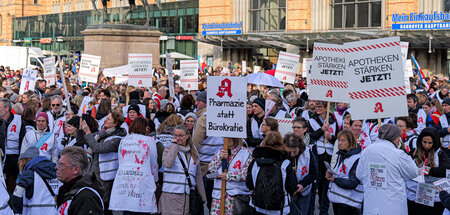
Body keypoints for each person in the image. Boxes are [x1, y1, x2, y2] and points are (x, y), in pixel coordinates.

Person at [356, 124, 419, 215]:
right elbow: (413, 172)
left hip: (371, 205)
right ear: (395, 138)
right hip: (392, 206)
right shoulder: (398, 154)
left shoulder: (367, 150)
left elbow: (359, 175)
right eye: (399, 137)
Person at [79, 110, 126, 214]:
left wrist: (88, 132)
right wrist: (80, 129)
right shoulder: (102, 134)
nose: (105, 120)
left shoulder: (117, 139)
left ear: (115, 123)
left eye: (108, 119)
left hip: (106, 178)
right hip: (94, 174)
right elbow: (83, 140)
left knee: (105, 205)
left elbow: (96, 148)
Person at [109, 117, 159, 214]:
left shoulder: (124, 141)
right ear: (145, 127)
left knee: (128, 206)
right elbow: (153, 164)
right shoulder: (149, 141)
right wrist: (155, 180)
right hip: (143, 180)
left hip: (125, 180)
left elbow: (121, 161)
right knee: (142, 208)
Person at [246, 131, 297, 215]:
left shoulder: (255, 162)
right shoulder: (285, 163)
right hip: (280, 209)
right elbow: (292, 186)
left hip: (258, 207)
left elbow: (249, 184)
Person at [160, 124, 206, 215]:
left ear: (187, 136)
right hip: (171, 195)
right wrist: (174, 146)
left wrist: (202, 197)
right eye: (176, 135)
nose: (177, 138)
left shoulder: (194, 152)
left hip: (187, 196)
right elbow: (168, 163)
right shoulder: (168, 149)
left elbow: (198, 177)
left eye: (180, 135)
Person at [406, 127, 450, 215]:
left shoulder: (440, 154)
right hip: (414, 197)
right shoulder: (414, 153)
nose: (426, 145)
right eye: (424, 142)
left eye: (430, 143)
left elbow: (446, 170)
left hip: (433, 199)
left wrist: (429, 171)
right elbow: (405, 167)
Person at [208, 138, 253, 215]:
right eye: (224, 138)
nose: (225, 140)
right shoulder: (220, 152)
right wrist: (219, 159)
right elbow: (210, 171)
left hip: (235, 197)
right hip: (218, 197)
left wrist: (228, 176)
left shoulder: (246, 153)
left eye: (228, 138)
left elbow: (246, 174)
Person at [12, 146, 60, 214]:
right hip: (54, 211)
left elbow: (17, 195)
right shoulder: (56, 170)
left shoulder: (28, 173)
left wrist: (18, 211)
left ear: (27, 159)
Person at [309, 100, 337, 215]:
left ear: (326, 108)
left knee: (325, 188)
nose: (317, 109)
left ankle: (323, 211)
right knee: (316, 186)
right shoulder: (311, 120)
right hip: (317, 156)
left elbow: (337, 139)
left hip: (329, 157)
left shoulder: (334, 121)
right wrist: (322, 130)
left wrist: (330, 137)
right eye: (316, 107)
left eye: (320, 106)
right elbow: (310, 137)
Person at [56, 146, 104, 215]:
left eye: (61, 165)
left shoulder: (86, 197)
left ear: (76, 170)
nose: (56, 167)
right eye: (58, 164)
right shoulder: (69, 191)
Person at [326, 130, 363, 215]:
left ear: (350, 142)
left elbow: (352, 183)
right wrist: (331, 173)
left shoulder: (356, 159)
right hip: (339, 200)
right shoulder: (341, 155)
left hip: (349, 204)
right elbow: (341, 174)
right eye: (339, 140)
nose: (339, 143)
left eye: (343, 140)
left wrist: (334, 179)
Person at [285, 132, 317, 215]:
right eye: (290, 152)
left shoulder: (307, 153)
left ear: (299, 147)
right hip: (289, 192)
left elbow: (314, 173)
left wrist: (302, 184)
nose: (292, 155)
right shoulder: (284, 153)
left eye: (295, 152)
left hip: (304, 190)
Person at [0, 98, 26, 194]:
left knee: (11, 185)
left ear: (7, 109)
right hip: (1, 158)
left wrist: (21, 158)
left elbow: (23, 140)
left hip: (13, 159)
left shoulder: (19, 120)